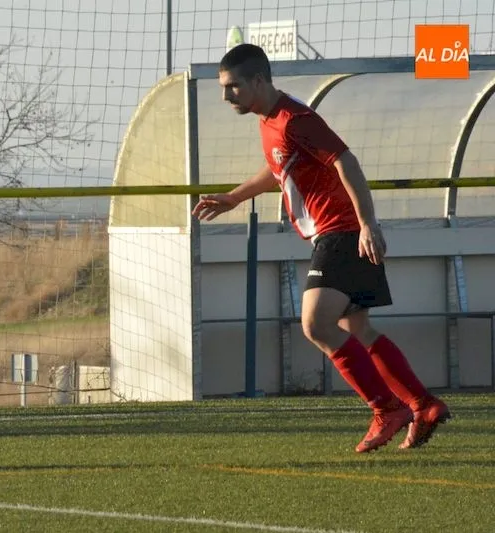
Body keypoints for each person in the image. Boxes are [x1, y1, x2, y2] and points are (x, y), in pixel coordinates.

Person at [192, 44, 450, 453]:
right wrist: (235, 197)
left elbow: (346, 161)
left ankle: (387, 409)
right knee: (357, 330)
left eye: (233, 87)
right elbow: (279, 167)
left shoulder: (296, 120)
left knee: (315, 324)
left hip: (342, 232)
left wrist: (367, 225)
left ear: (258, 81)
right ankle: (423, 404)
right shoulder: (270, 120)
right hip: (340, 232)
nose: (226, 97)